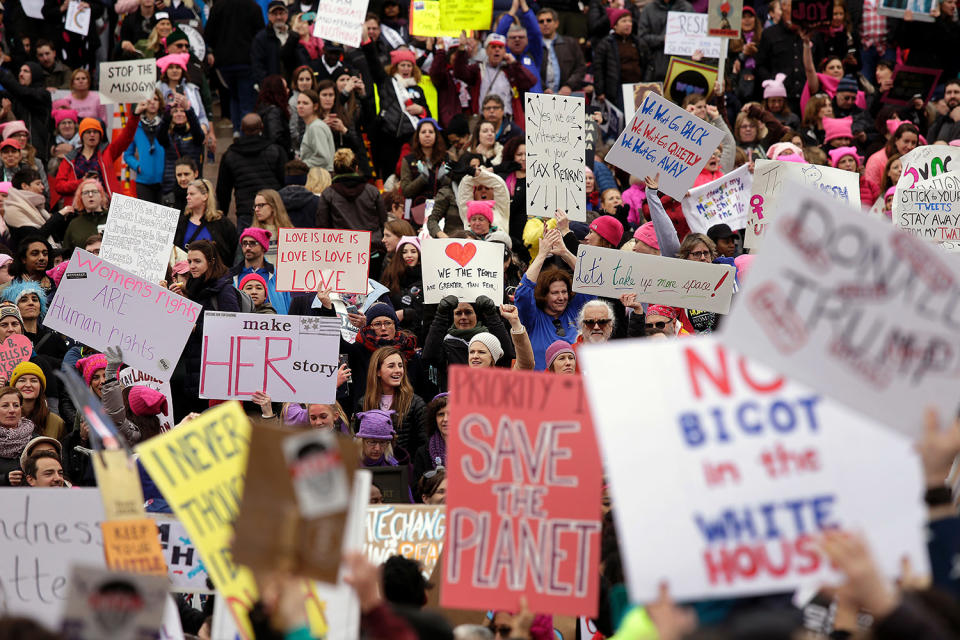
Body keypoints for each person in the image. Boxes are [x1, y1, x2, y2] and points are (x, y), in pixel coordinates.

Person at [172, 239, 240, 416]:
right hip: (194, 370)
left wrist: (197, 328)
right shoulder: (195, 288)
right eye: (189, 261)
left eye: (197, 261)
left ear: (211, 262)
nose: (192, 266)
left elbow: (232, 329)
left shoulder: (224, 291)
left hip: (213, 374)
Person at [515, 228, 593, 369]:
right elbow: (523, 292)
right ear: (544, 295)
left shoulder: (576, 311)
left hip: (573, 386)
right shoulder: (532, 318)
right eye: (555, 293)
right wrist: (542, 254)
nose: (562, 297)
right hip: (541, 387)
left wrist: (565, 252)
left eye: (564, 292)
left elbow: (589, 281)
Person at [362, 46, 431, 178]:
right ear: (395, 67)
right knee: (389, 175)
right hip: (388, 137)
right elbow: (373, 63)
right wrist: (367, 43)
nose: (406, 68)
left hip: (411, 139)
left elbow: (428, 115)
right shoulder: (386, 83)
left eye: (409, 65)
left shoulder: (418, 90)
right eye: (402, 65)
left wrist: (421, 110)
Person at [51, 106, 141, 202]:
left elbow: (126, 137)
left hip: (106, 205)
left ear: (100, 135)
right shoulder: (70, 158)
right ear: (82, 136)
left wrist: (135, 115)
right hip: (78, 207)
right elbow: (59, 186)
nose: (92, 135)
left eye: (95, 132)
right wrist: (82, 182)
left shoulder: (108, 152)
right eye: (88, 132)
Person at [422, 295, 514, 388]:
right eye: (458, 313)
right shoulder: (446, 343)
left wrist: (492, 315)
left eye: (468, 312)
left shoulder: (489, 340)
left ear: (476, 315)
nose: (463, 317)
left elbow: (507, 355)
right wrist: (440, 316)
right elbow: (429, 356)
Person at [204, 0, 265, 133]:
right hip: (247, 61)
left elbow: (208, 35)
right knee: (246, 100)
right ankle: (245, 134)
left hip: (224, 63)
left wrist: (218, 50)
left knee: (234, 96)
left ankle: (237, 130)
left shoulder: (218, 7)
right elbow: (260, 35)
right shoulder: (253, 7)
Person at [215, 113, 285, 230]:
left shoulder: (230, 155)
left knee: (248, 246)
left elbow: (223, 191)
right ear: (262, 127)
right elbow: (284, 180)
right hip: (272, 209)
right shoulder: (275, 150)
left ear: (241, 129)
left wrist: (222, 215)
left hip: (246, 211)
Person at [453, 34, 536, 131]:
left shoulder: (511, 70)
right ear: (487, 51)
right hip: (483, 121)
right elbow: (459, 73)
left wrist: (515, 64)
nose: (497, 50)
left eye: (500, 47)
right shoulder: (478, 69)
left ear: (504, 51)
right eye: (493, 47)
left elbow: (530, 82)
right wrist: (462, 49)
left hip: (507, 121)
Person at [361, 346, 425, 463]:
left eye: (400, 366)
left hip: (405, 470)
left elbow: (424, 443)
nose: (398, 370)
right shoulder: (364, 403)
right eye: (391, 366)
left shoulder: (416, 403)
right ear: (378, 371)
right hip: (373, 471)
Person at [316, 149, 386, 241]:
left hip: (341, 249)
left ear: (335, 170)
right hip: (372, 247)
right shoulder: (372, 191)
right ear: (356, 168)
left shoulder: (328, 194)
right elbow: (383, 221)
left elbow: (322, 226)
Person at [174, 178, 238, 272]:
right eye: (187, 194)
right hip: (187, 275)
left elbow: (232, 250)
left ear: (205, 196)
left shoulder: (222, 223)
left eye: (192, 194)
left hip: (214, 277)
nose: (187, 197)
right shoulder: (182, 222)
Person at [594, 10, 651, 111]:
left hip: (638, 89)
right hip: (617, 91)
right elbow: (598, 69)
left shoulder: (639, 42)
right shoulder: (605, 44)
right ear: (614, 25)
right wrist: (600, 91)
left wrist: (646, 84)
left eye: (630, 21)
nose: (628, 24)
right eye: (624, 21)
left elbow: (649, 65)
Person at [230, 226, 290, 313]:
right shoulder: (232, 276)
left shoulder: (278, 275)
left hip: (275, 324)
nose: (247, 247)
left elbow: (289, 304)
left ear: (263, 246)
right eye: (244, 243)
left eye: (252, 243)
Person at [0, 62, 52, 162]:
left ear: (35, 74)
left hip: (36, 152)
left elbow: (21, 92)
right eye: (20, 71)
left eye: (26, 71)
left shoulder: (42, 94)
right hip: (13, 151)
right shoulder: (14, 95)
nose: (21, 74)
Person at [156, 95, 205, 197]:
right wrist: (167, 113)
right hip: (171, 186)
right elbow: (160, 135)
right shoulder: (167, 135)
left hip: (193, 186)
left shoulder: (195, 134)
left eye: (182, 111)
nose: (179, 114)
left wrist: (188, 108)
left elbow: (199, 134)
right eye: (175, 111)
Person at [123, 89, 166, 204]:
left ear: (160, 103)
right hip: (143, 182)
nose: (152, 102)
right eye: (149, 99)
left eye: (156, 99)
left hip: (165, 180)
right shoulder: (136, 126)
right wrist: (138, 166)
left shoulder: (166, 124)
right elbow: (127, 155)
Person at [495, 0, 544, 94]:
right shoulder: (503, 56)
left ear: (527, 40)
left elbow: (536, 34)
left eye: (521, 37)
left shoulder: (533, 55)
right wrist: (512, 10)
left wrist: (525, 8)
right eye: (513, 38)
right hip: (511, 103)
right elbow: (499, 35)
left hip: (533, 105)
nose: (517, 39)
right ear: (507, 41)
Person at [251, 1, 302, 87]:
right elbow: (257, 65)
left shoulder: (294, 36)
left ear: (287, 15)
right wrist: (267, 84)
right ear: (269, 16)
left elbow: (301, 60)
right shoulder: (261, 38)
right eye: (275, 14)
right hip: (272, 87)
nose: (278, 17)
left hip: (292, 86)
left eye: (281, 13)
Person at [381, 236, 423, 340]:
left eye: (413, 251)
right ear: (399, 255)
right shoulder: (390, 277)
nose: (409, 255)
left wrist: (406, 313)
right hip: (392, 337)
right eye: (404, 252)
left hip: (419, 337)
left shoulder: (427, 279)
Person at [537, 8, 587, 95]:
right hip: (541, 95)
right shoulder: (534, 46)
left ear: (556, 23)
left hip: (569, 94)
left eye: (548, 20)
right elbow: (532, 71)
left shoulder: (570, 43)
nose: (545, 23)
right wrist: (543, 88)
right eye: (541, 21)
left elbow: (580, 67)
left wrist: (569, 86)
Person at [400, 118, 448, 206]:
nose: (427, 135)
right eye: (423, 132)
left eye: (431, 132)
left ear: (436, 135)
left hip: (441, 208)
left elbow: (452, 187)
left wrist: (444, 179)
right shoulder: (408, 160)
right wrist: (422, 178)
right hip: (417, 209)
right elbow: (406, 191)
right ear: (417, 136)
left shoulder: (445, 158)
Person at [10, 362, 63, 441]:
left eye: (33, 381)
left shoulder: (56, 422)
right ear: (14, 386)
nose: (28, 385)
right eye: (22, 380)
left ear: (40, 387)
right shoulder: (5, 418)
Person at [0, 386, 37, 485]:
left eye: (16, 405)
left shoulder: (35, 441)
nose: (12, 410)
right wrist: (4, 479)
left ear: (21, 409)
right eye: (5, 406)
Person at [412, 392, 447, 498]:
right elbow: (417, 492)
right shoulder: (423, 452)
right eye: (441, 414)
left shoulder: (472, 450)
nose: (445, 419)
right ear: (434, 418)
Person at [296, 89, 335, 170]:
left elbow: (323, 158)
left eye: (305, 103)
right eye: (298, 103)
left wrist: (300, 165)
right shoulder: (311, 126)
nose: (300, 106)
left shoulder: (316, 127)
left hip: (322, 178)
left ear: (315, 106)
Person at [256, 76, 292, 159]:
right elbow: (275, 136)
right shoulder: (274, 112)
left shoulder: (262, 107)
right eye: (285, 88)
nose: (288, 90)